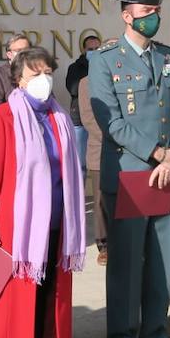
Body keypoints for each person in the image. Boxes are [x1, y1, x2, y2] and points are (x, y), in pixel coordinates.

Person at [88, 0, 170, 338]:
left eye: (157, 12)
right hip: (133, 174)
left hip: (168, 173)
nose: (154, 18)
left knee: (162, 260)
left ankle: (155, 334)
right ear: (127, 14)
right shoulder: (105, 59)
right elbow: (110, 121)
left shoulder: (168, 58)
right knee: (127, 263)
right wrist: (158, 152)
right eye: (147, 13)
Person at [0, 47, 86, 338]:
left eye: (47, 72)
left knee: (44, 294)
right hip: (15, 228)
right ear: (18, 79)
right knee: (13, 300)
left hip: (53, 224)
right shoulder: (2, 117)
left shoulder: (59, 117)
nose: (43, 79)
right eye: (35, 74)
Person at [74, 72, 110, 265]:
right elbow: (88, 119)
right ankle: (104, 245)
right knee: (101, 201)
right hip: (101, 150)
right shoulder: (86, 82)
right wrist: (117, 137)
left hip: (130, 152)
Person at [65, 35, 101, 174]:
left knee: (98, 164)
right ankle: (80, 194)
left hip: (99, 122)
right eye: (90, 49)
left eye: (97, 48)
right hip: (79, 119)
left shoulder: (103, 65)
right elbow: (73, 89)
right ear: (84, 50)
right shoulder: (75, 67)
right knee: (80, 164)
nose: (94, 51)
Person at [0, 33, 31, 109]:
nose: (24, 54)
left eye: (27, 50)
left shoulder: (36, 72)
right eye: (19, 50)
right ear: (9, 54)